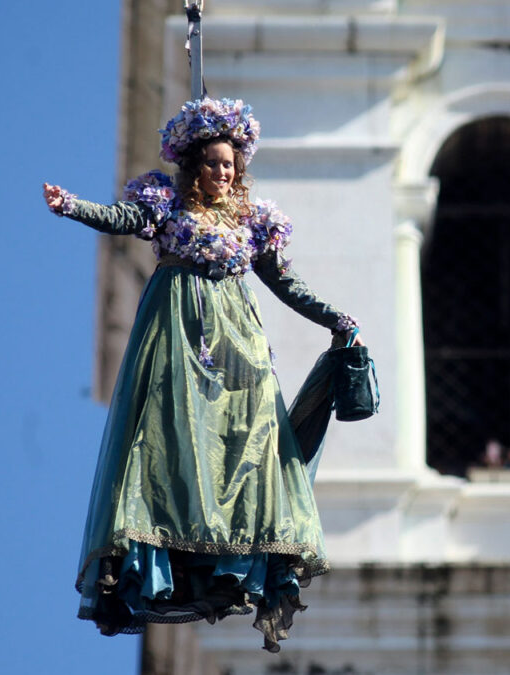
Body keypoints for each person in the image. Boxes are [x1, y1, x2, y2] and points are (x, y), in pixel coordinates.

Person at [43, 97, 364, 652]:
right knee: (171, 430)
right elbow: (122, 219)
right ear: (194, 166)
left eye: (230, 166)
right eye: (213, 163)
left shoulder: (251, 223)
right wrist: (73, 206)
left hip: (236, 334)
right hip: (178, 329)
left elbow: (286, 284)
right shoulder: (166, 205)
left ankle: (236, 543)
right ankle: (173, 538)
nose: (223, 173)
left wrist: (333, 316)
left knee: (250, 432)